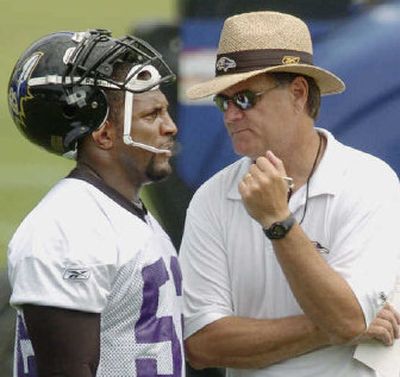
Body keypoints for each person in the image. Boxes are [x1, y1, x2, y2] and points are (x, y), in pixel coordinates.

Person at [178, 11, 400, 377]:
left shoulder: (370, 181)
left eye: (245, 98)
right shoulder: (210, 198)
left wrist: (277, 222)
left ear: (298, 93)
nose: (231, 115)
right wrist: (326, 327)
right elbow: (201, 344)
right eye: (223, 101)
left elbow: (346, 320)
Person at [7, 29, 184, 377]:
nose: (171, 127)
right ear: (103, 134)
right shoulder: (69, 228)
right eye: (152, 116)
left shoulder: (124, 213)